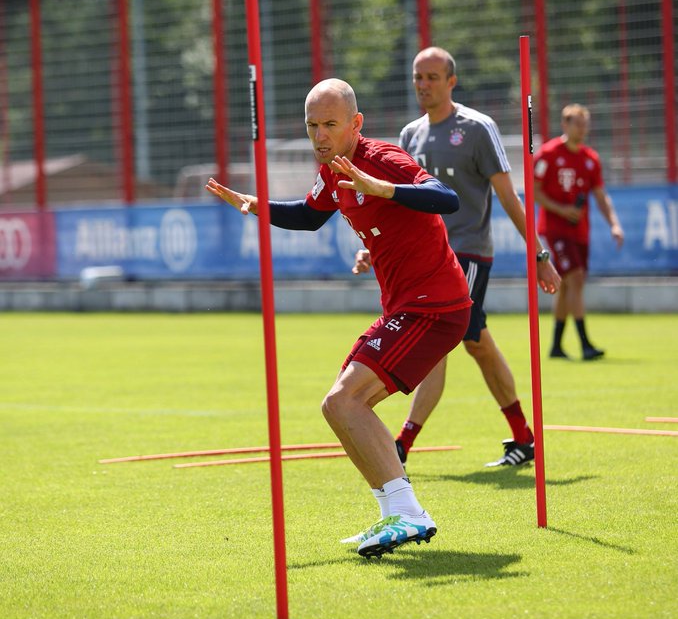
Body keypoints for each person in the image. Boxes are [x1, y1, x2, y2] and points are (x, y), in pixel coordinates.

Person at [205, 78, 472, 558]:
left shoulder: (382, 158)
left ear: (356, 123)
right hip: (408, 307)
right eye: (312, 125)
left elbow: (445, 197)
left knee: (344, 401)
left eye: (330, 124)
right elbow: (309, 216)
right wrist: (256, 205)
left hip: (433, 307)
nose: (320, 135)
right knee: (339, 407)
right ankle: (395, 513)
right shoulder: (331, 171)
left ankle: (408, 513)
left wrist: (383, 189)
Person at [353, 46, 561, 468]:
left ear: (452, 81)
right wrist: (373, 248)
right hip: (426, 256)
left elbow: (509, 197)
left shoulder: (477, 128)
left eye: (432, 77)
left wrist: (539, 254)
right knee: (476, 342)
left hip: (467, 253)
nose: (423, 84)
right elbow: (400, 205)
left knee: (439, 340)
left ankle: (402, 444)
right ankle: (523, 437)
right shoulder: (410, 135)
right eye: (418, 77)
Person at [534, 103, 624, 360]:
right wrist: (562, 210)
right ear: (565, 125)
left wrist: (614, 223)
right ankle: (585, 344)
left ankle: (556, 346)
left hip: (579, 231)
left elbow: (600, 195)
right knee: (575, 279)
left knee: (566, 285)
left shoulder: (590, 158)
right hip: (555, 230)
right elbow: (535, 191)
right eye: (578, 124)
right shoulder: (548, 154)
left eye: (585, 124)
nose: (582, 129)